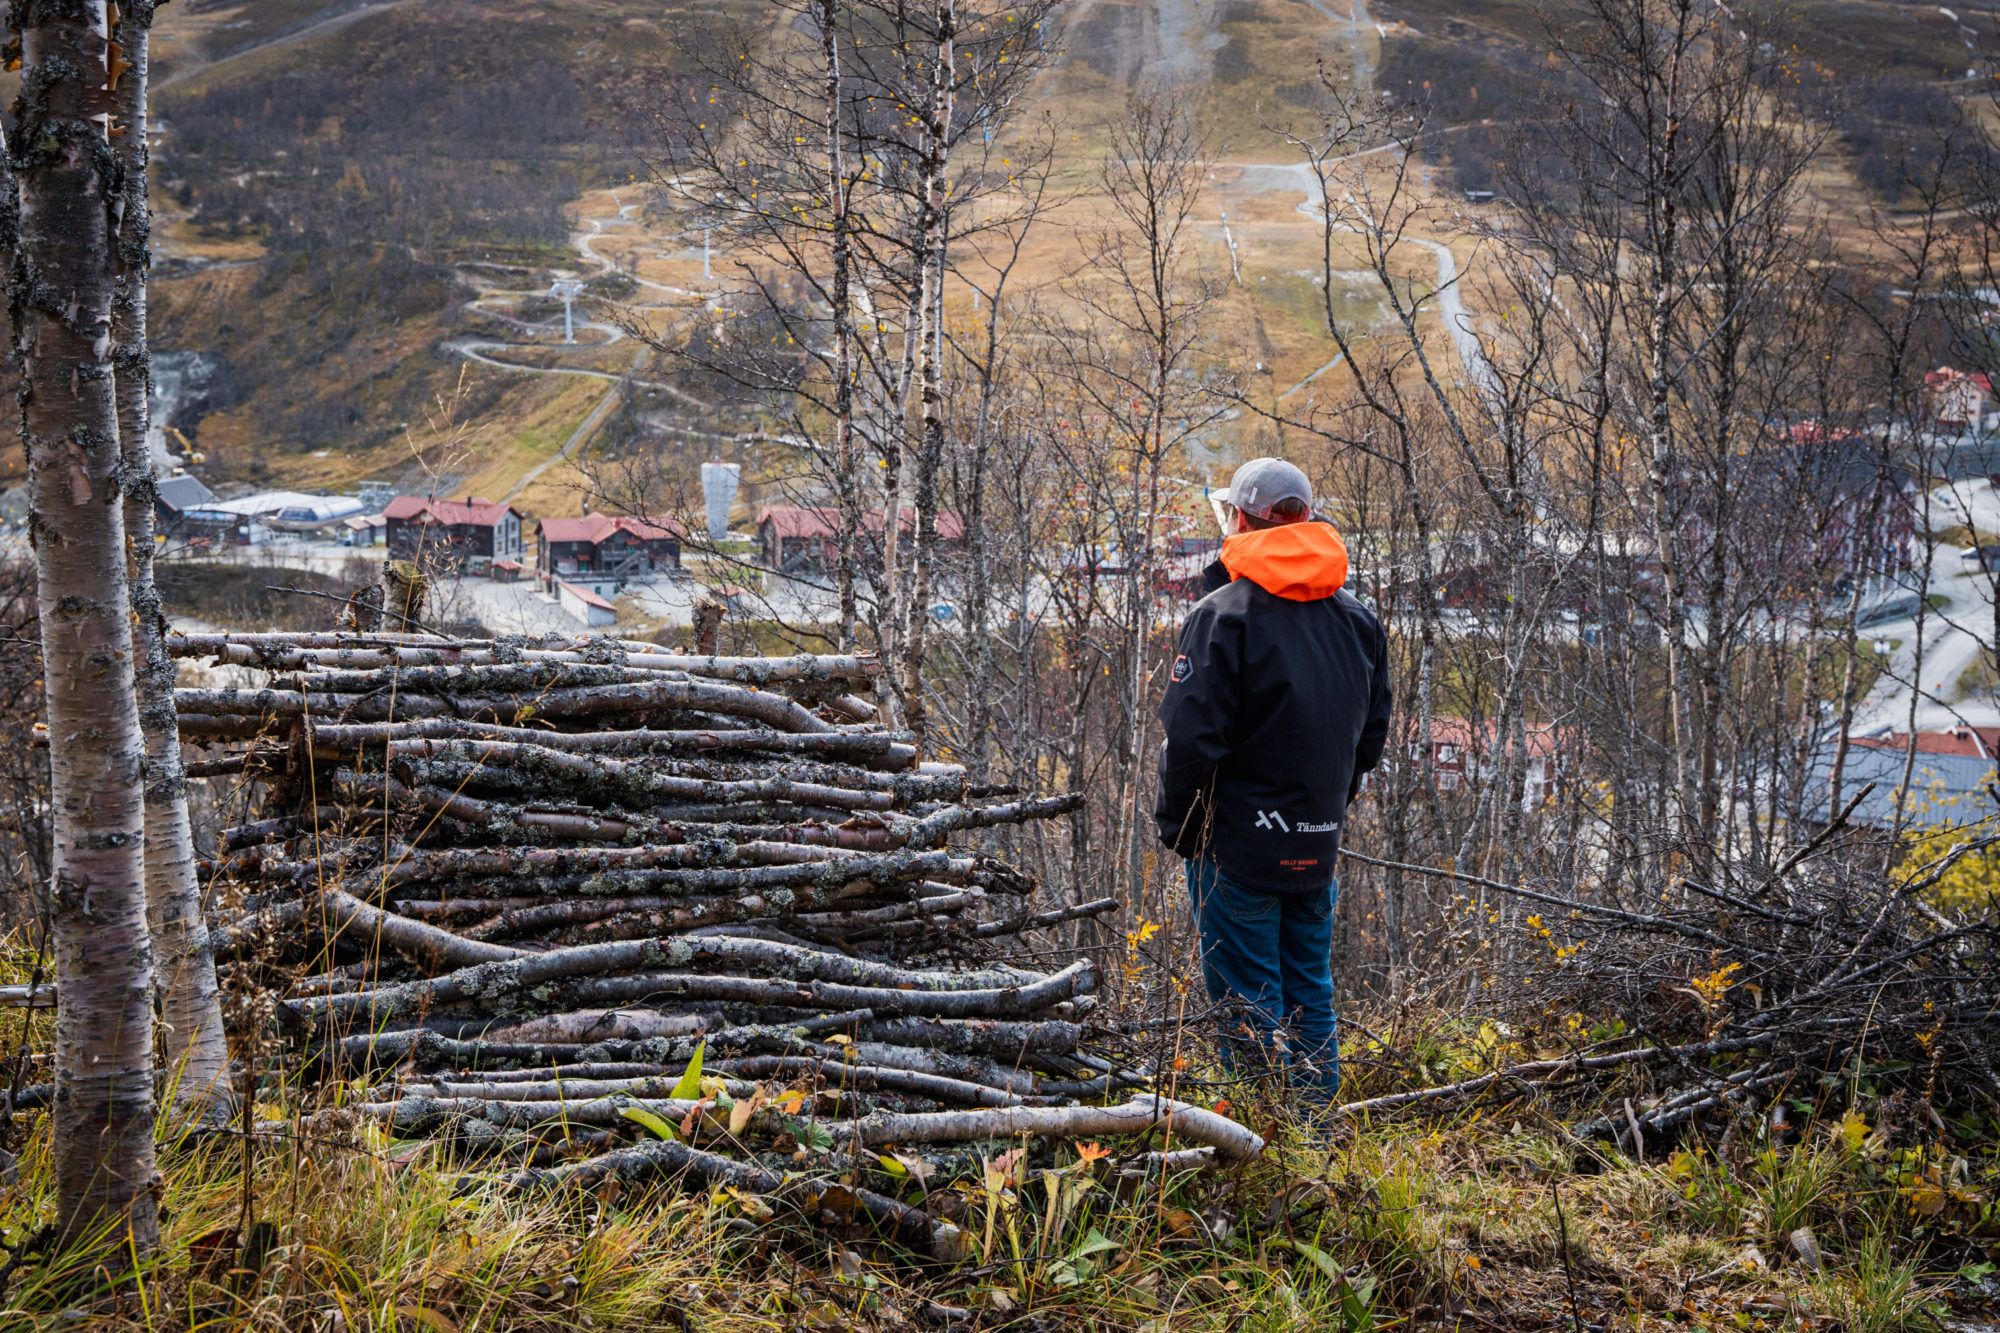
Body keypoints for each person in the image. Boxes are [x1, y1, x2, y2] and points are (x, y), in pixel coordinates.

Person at [1155, 456, 1392, 1106]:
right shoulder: (1359, 621)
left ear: (1239, 518)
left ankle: (1262, 1156)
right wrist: (1325, 811)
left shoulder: (1222, 616)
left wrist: (1179, 829)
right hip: (1317, 849)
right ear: (1306, 518)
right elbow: (1368, 740)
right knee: (1310, 994)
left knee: (1246, 1008)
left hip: (1235, 852)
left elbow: (1190, 743)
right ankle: (1315, 1145)